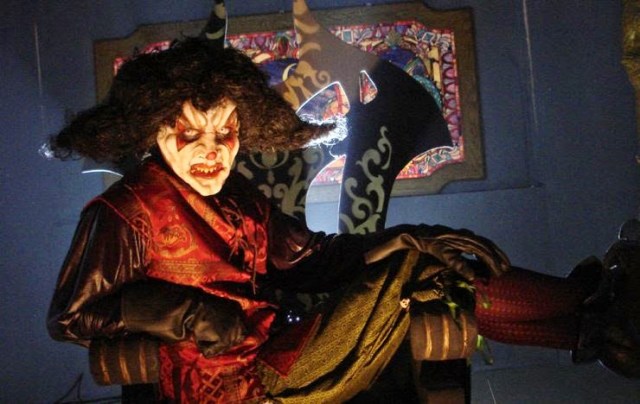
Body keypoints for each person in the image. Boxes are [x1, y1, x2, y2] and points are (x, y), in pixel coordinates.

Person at [47, 38, 639, 403]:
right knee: (415, 268)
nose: (213, 151)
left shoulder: (240, 198)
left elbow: (311, 260)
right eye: (190, 133)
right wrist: (187, 313)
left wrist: (411, 236)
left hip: (282, 352)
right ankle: (594, 308)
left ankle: (597, 322)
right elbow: (70, 316)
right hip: (242, 389)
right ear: (154, 130)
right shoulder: (124, 211)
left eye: (226, 132)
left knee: (422, 260)